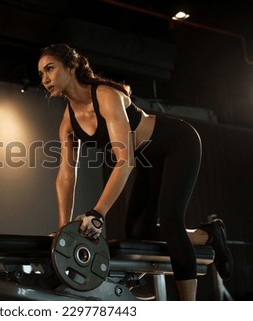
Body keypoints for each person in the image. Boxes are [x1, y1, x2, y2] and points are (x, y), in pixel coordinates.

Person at [38, 44, 233, 300]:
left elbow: (125, 160)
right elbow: (66, 175)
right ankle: (210, 235)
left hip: (177, 143)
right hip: (149, 159)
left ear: (71, 66)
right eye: (41, 74)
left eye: (50, 69)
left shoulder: (106, 96)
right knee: (139, 232)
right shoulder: (68, 121)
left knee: (171, 220)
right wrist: (64, 227)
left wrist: (98, 213)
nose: (45, 79)